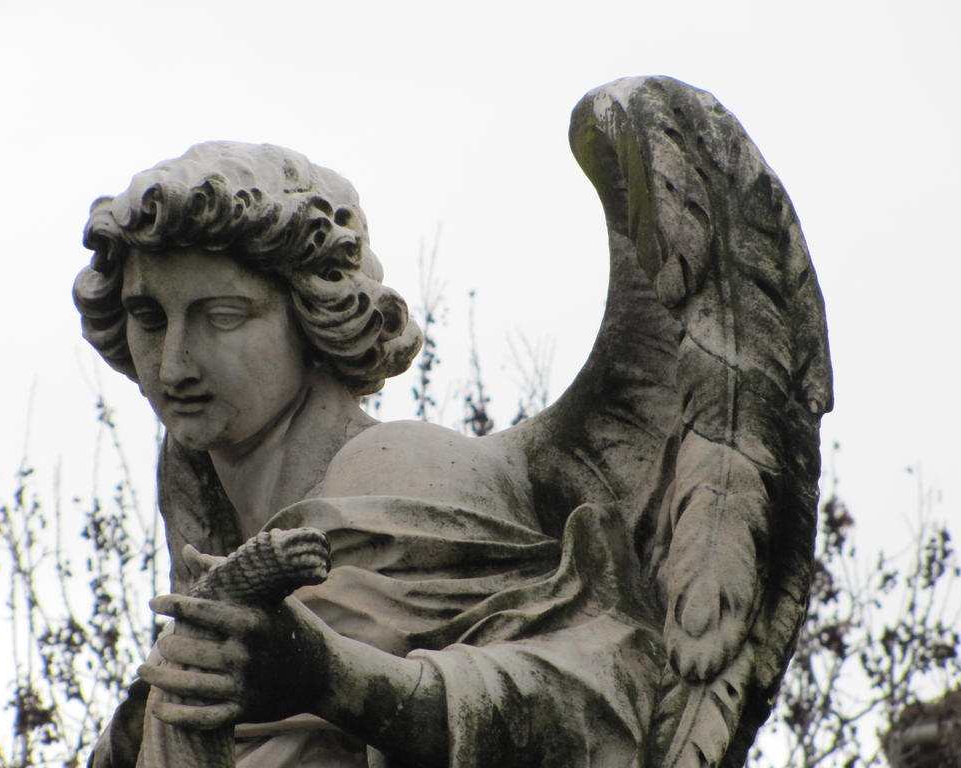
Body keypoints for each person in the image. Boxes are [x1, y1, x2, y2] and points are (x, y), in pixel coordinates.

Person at [76, 141, 663, 768]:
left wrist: (331, 675)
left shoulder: (400, 466)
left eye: (222, 315)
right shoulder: (200, 488)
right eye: (150, 318)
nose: (174, 364)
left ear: (313, 309)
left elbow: (593, 698)